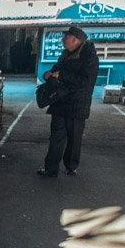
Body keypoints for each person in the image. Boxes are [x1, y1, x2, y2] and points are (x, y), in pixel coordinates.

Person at [38, 25, 98, 177]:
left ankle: (71, 166)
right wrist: (48, 74)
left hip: (78, 104)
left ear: (74, 40)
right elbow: (55, 70)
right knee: (56, 137)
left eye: (65, 37)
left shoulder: (89, 57)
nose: (62, 40)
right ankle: (50, 169)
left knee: (74, 138)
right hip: (60, 101)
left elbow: (86, 82)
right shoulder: (65, 55)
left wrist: (63, 76)